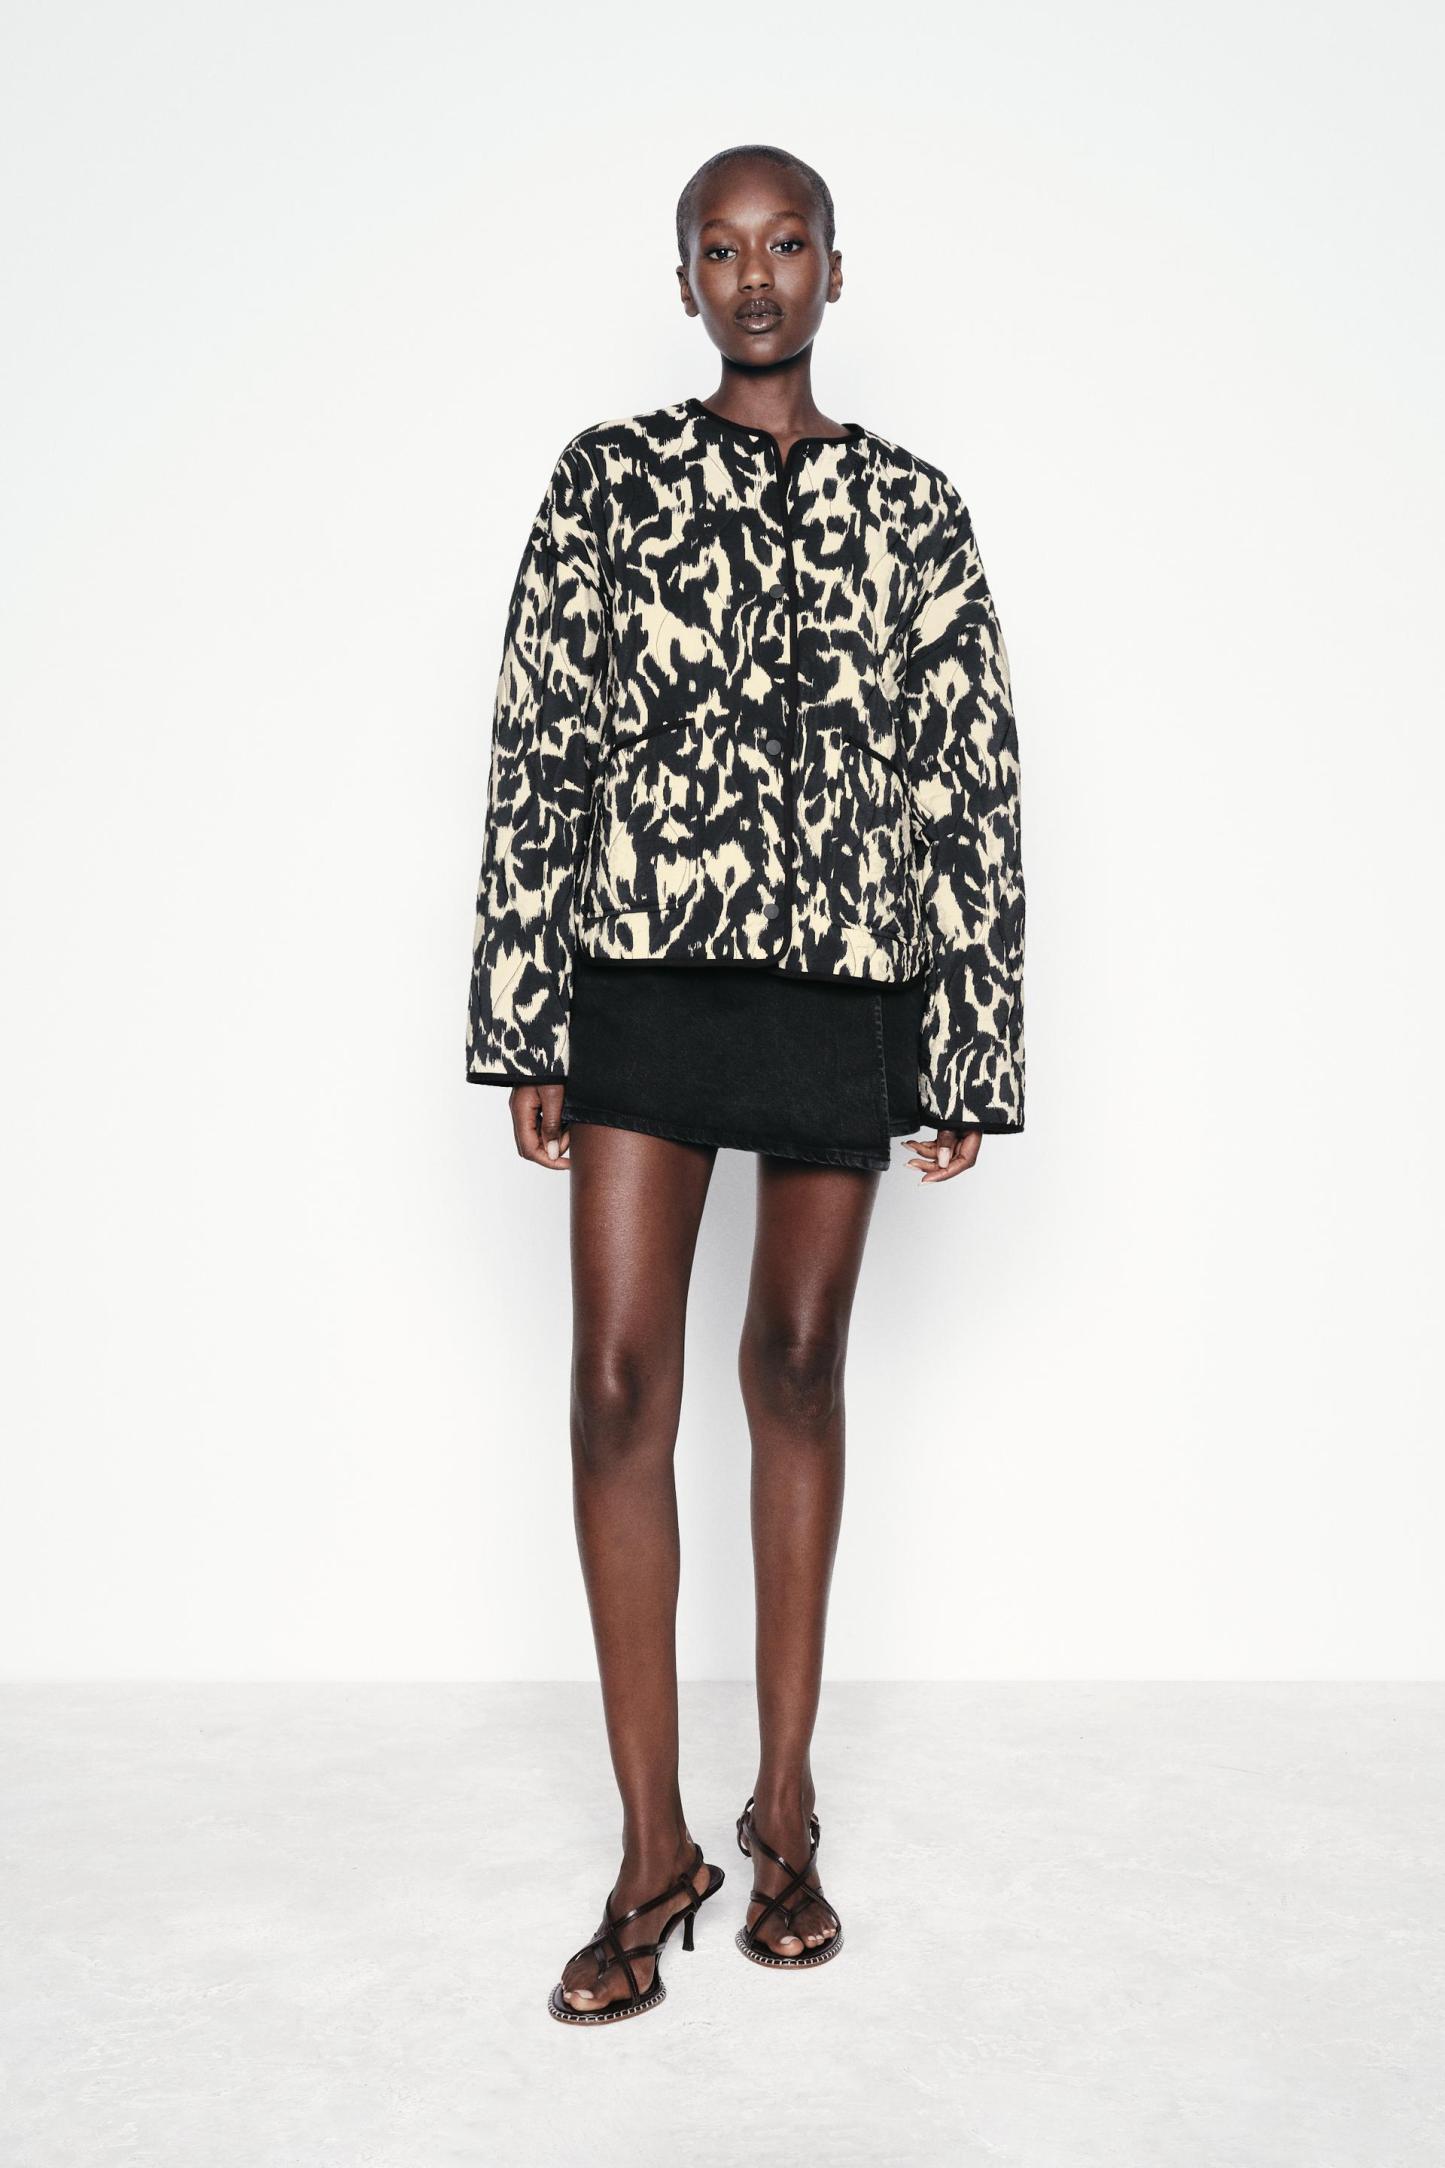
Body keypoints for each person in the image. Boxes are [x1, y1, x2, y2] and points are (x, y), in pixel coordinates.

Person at [466, 142, 1025, 2025]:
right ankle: (653, 1853)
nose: (757, 276)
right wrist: (527, 1014)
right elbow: (542, 739)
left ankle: (782, 1815)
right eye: (721, 249)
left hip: (844, 980)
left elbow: (967, 780)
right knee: (617, 1386)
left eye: (788, 244)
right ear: (685, 280)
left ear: (835, 273)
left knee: (792, 1367)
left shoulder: (914, 509)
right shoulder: (605, 481)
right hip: (638, 975)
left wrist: (967, 1037)